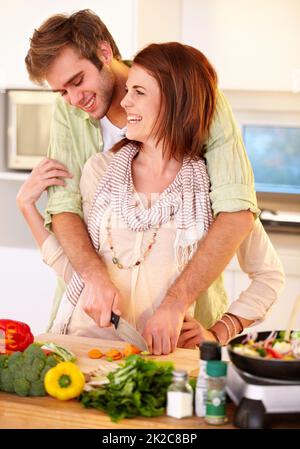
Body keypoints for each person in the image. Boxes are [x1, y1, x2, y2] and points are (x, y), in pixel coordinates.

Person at [23, 10, 277, 354]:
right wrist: (28, 209)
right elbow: (66, 215)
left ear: (103, 52)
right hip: (86, 339)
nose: (72, 99)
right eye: (61, 91)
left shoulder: (201, 185)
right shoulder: (99, 167)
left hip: (174, 349)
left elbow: (237, 215)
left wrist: (214, 329)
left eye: (77, 81)